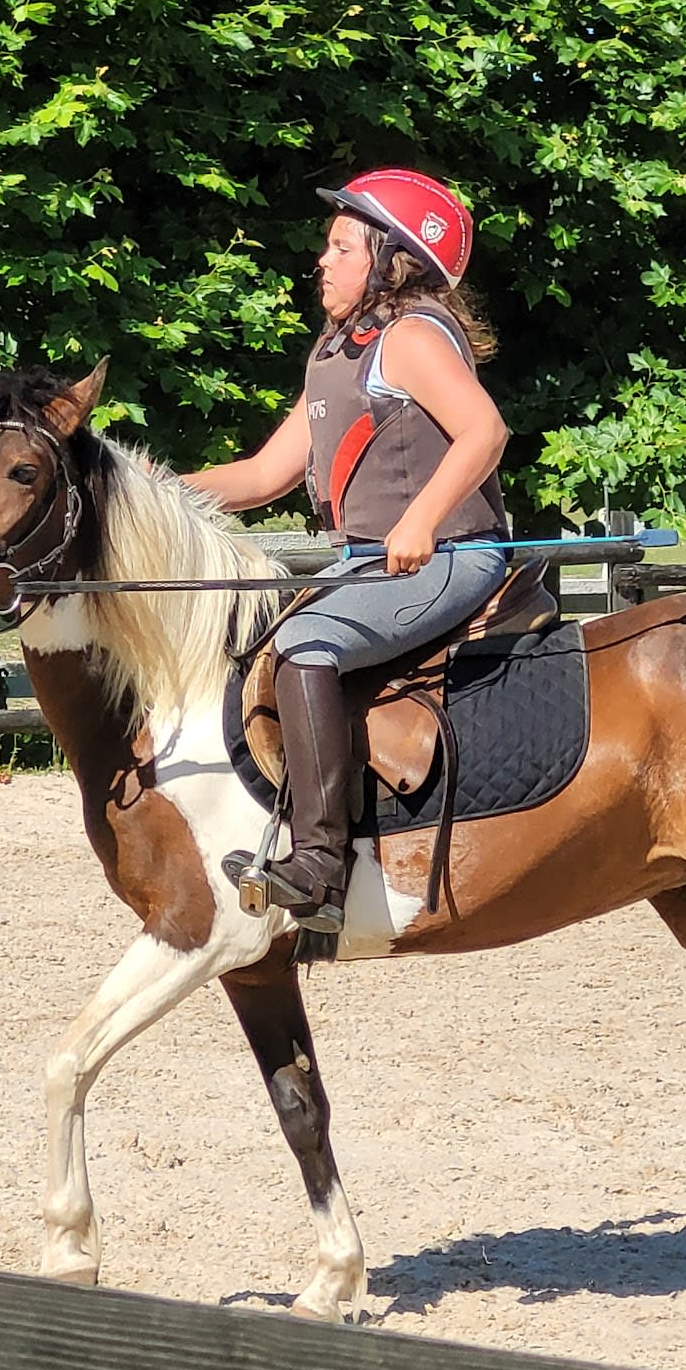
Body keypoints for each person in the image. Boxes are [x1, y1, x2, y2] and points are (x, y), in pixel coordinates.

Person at [184, 168, 512, 933]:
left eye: (340, 246)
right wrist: (146, 484)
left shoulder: (412, 336)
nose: (321, 261)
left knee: (308, 643)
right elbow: (265, 473)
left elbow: (485, 431)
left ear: (393, 257)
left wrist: (423, 518)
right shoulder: (340, 349)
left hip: (452, 557)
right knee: (267, 643)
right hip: (370, 560)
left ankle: (321, 866)